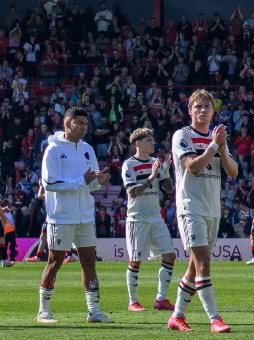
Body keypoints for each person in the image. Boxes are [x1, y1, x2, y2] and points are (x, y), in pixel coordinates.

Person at [168, 90, 239, 333]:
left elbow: (232, 171)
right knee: (203, 262)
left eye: (206, 107)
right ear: (190, 111)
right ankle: (214, 319)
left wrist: (221, 147)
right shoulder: (183, 135)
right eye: (197, 106)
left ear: (213, 110)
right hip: (190, 207)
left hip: (212, 209)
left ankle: (176, 316)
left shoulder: (216, 138)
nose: (202, 110)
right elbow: (193, 167)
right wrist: (213, 146)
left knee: (193, 265)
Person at [37, 107, 112, 324]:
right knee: (55, 261)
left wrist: (99, 181)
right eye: (79, 123)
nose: (83, 127)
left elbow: (91, 184)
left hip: (85, 216)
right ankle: (44, 311)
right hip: (61, 216)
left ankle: (94, 311)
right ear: (67, 123)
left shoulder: (88, 149)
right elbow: (49, 183)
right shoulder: (52, 150)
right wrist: (82, 180)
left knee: (89, 261)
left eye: (85, 124)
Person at [121, 128, 177, 313]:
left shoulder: (156, 162)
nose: (153, 143)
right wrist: (152, 177)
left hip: (155, 217)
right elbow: (132, 192)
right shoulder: (128, 164)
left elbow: (169, 189)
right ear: (137, 143)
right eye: (149, 140)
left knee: (170, 255)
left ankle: (161, 299)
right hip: (137, 218)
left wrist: (166, 172)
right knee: (136, 260)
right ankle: (133, 301)